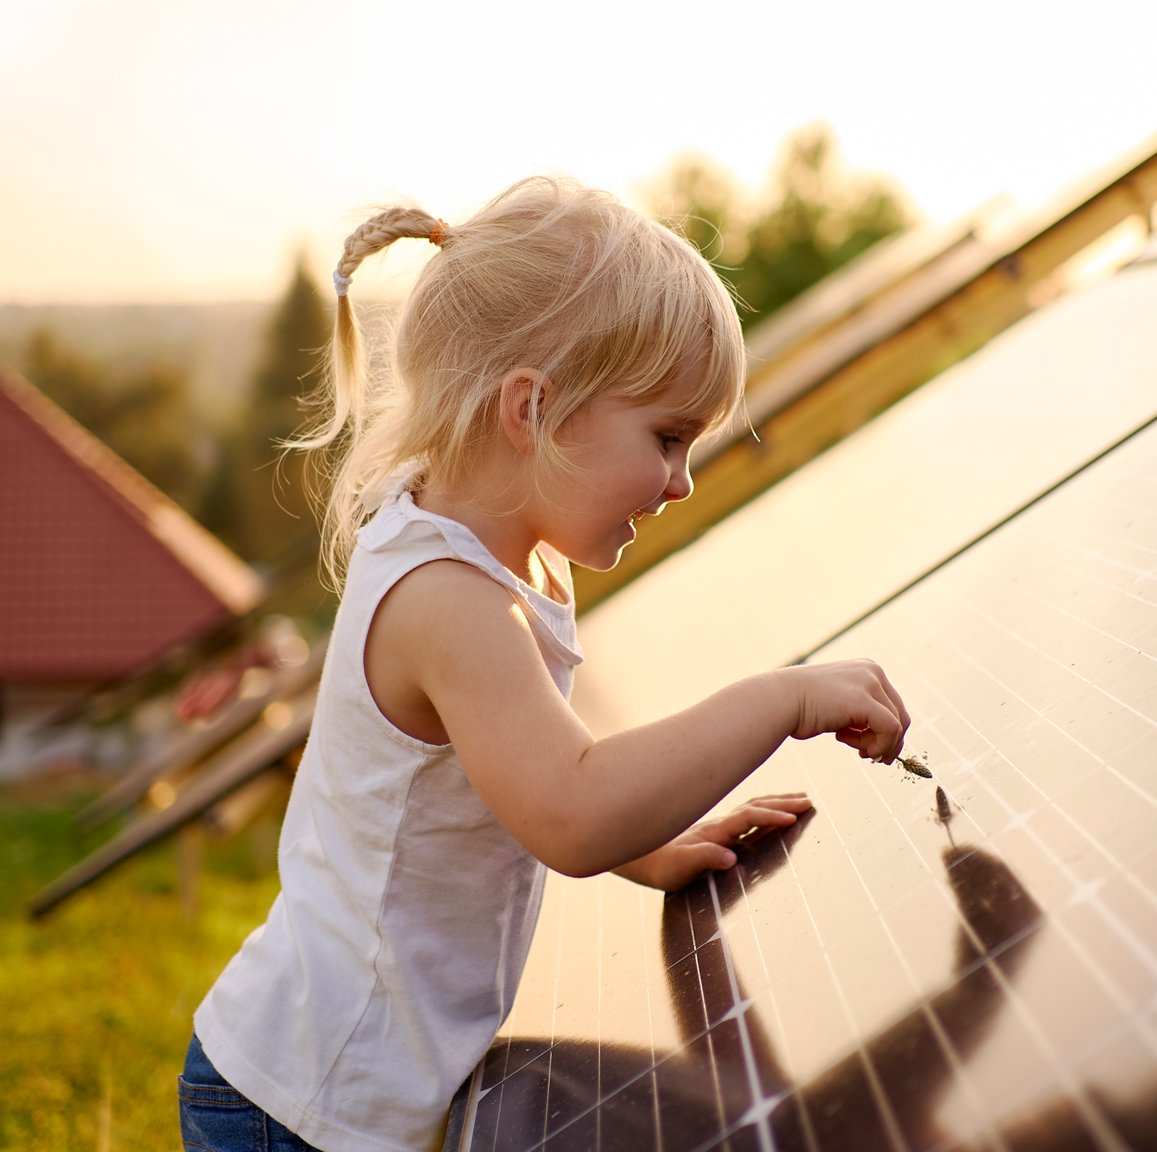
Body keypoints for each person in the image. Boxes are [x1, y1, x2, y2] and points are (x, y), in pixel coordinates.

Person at [178, 176, 910, 1152]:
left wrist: (653, 845)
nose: (681, 482)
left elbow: (519, 771)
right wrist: (781, 700)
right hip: (301, 1103)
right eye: (666, 438)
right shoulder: (447, 600)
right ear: (531, 409)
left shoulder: (496, 553)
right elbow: (568, 809)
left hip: (330, 1087)